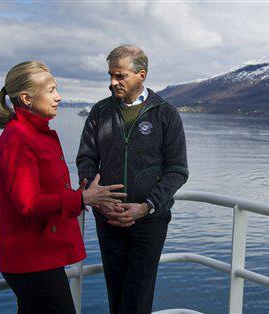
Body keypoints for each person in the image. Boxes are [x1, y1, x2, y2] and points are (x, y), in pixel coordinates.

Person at [0, 61, 126, 314]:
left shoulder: (33, 133)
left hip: (38, 256)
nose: (58, 97)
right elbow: (28, 204)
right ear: (26, 98)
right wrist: (82, 199)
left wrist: (82, 194)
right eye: (51, 90)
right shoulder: (19, 139)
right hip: (31, 259)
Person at [76, 45, 188, 314]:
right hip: (109, 219)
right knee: (116, 293)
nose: (112, 83)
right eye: (110, 75)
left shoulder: (165, 113)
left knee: (137, 295)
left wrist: (146, 206)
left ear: (141, 75)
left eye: (120, 76)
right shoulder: (100, 111)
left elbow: (178, 170)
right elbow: (86, 159)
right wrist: (100, 201)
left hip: (149, 221)